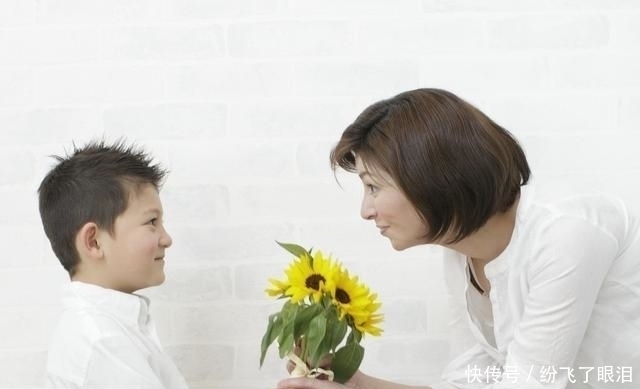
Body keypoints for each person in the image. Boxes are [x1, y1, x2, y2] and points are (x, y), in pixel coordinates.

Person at [277, 88, 640, 389]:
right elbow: (469, 382)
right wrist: (358, 385)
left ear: (431, 179)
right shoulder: (461, 255)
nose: (366, 210)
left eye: (373, 186)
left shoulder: (566, 232)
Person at [39, 140, 189, 389]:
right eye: (152, 221)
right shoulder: (103, 341)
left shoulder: (109, 329)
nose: (166, 238)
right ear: (94, 241)